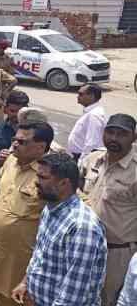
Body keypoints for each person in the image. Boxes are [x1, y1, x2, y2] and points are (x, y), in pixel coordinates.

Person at [11, 153, 107, 306]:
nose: (36, 182)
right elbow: (40, 255)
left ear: (63, 183)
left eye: (43, 178)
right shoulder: (50, 209)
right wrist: (25, 283)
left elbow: (73, 297)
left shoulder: (82, 228)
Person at [0, 121, 54, 306]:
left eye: (22, 141)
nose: (15, 145)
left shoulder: (50, 174)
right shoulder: (11, 161)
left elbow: (76, 201)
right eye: (15, 140)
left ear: (41, 147)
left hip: (21, 265)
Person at [78, 114, 137, 306]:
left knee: (107, 300)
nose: (114, 138)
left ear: (134, 138)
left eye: (121, 134)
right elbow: (75, 190)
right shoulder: (93, 159)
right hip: (83, 245)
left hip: (116, 254)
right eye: (110, 132)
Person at [68, 84, 106, 163]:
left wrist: (82, 163)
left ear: (91, 96)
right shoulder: (91, 112)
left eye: (81, 94)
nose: (77, 96)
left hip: (82, 159)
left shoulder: (94, 115)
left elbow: (92, 143)